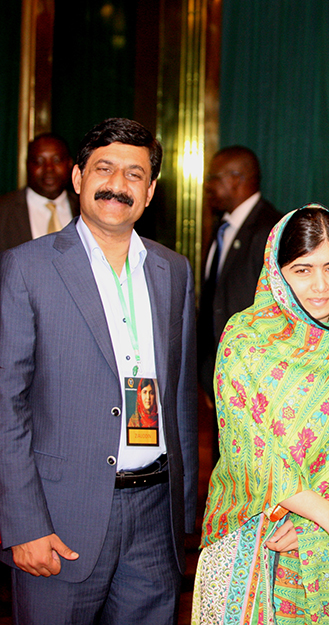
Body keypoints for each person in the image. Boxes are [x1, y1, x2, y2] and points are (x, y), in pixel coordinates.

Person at [0, 118, 198, 624]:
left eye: (134, 174)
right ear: (78, 177)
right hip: (60, 518)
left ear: (150, 192)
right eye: (104, 169)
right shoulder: (27, 267)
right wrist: (22, 524)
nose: (117, 184)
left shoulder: (173, 270)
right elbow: (6, 405)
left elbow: (178, 397)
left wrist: (182, 516)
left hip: (155, 519)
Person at [193, 205, 329, 624]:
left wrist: (316, 529)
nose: (320, 286)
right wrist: (325, 516)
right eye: (302, 270)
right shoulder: (245, 338)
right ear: (277, 272)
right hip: (252, 537)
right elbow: (249, 448)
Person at [198, 145, 281, 394]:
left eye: (213, 178)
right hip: (219, 375)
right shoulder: (222, 227)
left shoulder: (271, 229)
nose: (207, 186)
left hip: (254, 379)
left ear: (235, 179)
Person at [0, 133, 78, 253]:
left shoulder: (85, 208)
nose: (49, 168)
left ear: (69, 164)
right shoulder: (4, 210)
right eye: (39, 161)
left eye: (56, 160)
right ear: (27, 165)